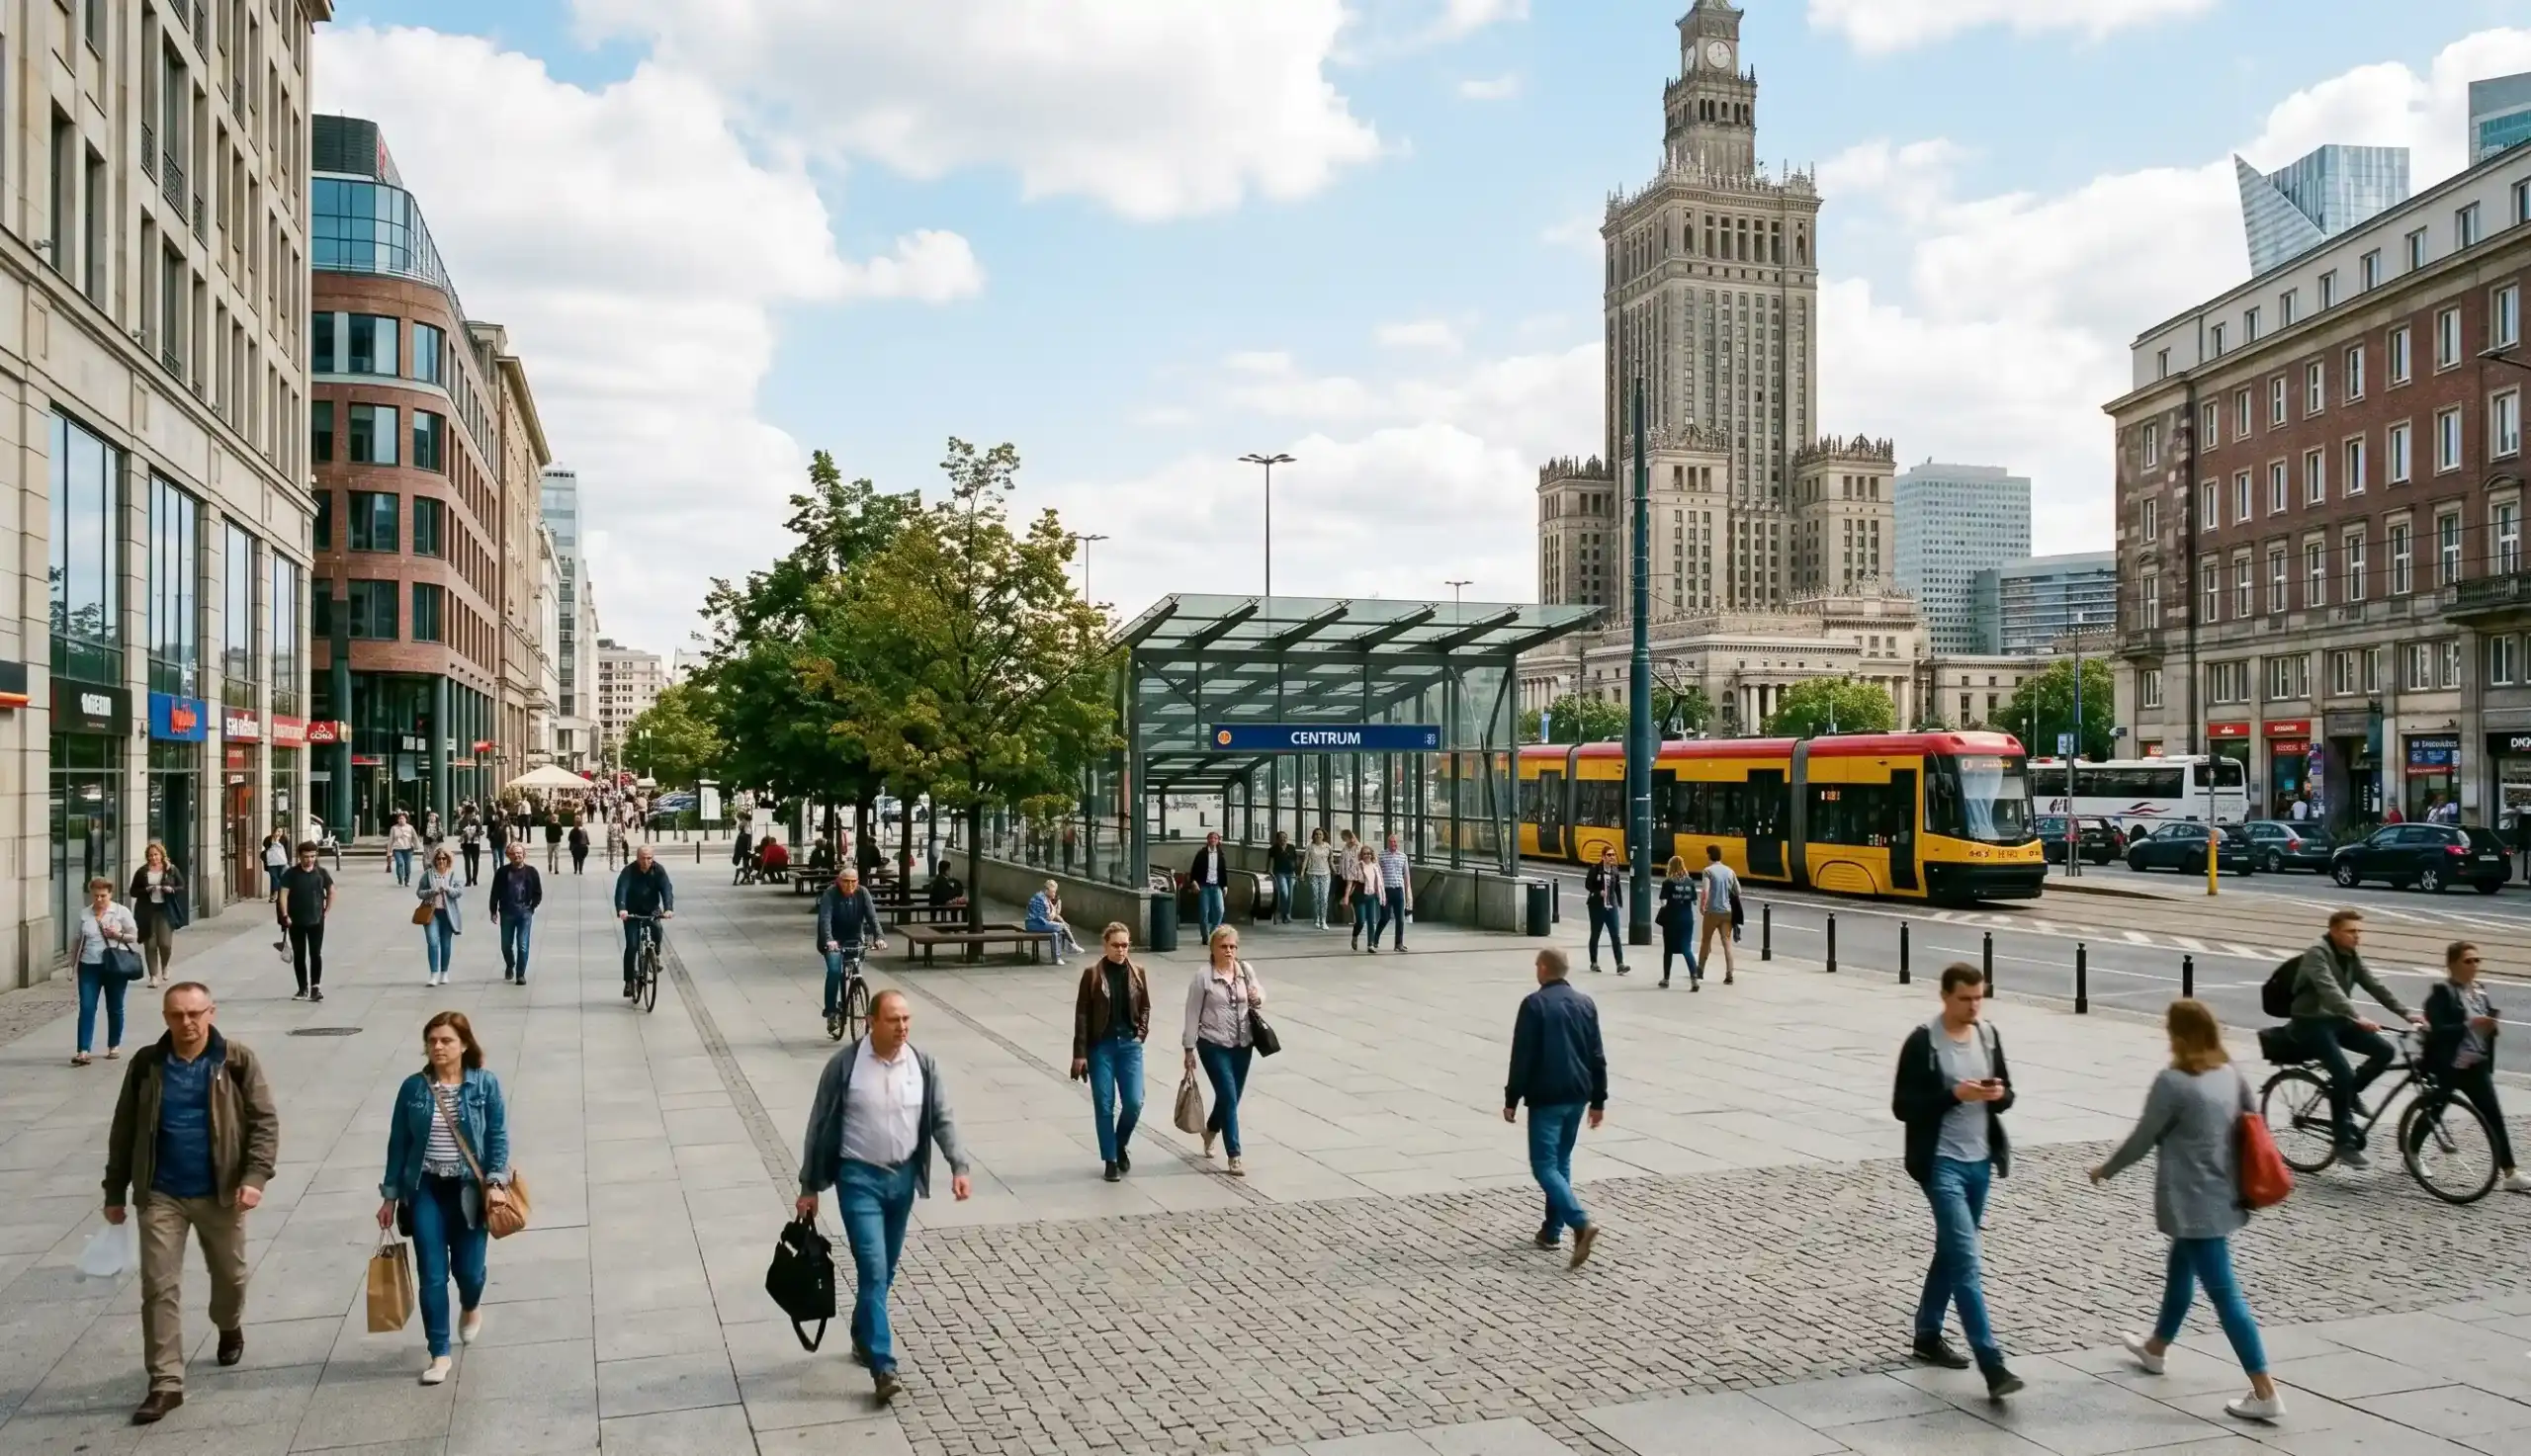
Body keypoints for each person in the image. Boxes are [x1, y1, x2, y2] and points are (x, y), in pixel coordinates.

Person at [2089, 999, 2284, 1423]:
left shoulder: (2173, 1081)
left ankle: (2264, 1389)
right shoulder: (2230, 1074)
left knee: (2226, 1295)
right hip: (2225, 1193)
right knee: (2180, 1265)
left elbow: (2144, 1137)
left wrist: (2107, 1169)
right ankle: (2156, 1348)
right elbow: (2252, 1123)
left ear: (2177, 1036)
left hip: (2194, 1203)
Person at [103, 982, 278, 1424]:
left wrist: (254, 1177)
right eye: (178, 1015)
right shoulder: (148, 1064)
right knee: (159, 1287)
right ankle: (165, 1383)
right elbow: (124, 1128)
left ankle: (228, 1323)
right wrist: (114, 1191)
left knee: (232, 1275)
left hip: (222, 1191)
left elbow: (264, 1122)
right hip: (162, 1193)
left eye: (195, 1014)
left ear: (211, 1013)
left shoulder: (235, 1060)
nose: (187, 1023)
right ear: (165, 1017)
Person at [794, 988, 972, 1405]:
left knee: (886, 1270)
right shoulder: (845, 1067)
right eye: (894, 1020)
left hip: (902, 1181)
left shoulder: (922, 1064)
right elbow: (818, 1125)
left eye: (907, 1019)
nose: (902, 1027)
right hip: (858, 1180)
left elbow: (941, 1118)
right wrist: (809, 1186)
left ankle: (861, 1332)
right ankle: (883, 1366)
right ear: (870, 1022)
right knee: (873, 1270)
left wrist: (959, 1166)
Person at [1891, 963, 2023, 1400]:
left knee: (1951, 1249)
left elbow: (2008, 1095)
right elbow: (1903, 1107)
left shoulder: (1988, 1036)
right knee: (1966, 1258)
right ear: (1945, 996)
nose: (1974, 1006)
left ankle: (1927, 1334)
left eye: (1979, 998)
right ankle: (1993, 1364)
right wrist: (1954, 1095)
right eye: (1966, 998)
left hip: (1980, 1162)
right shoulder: (1924, 1042)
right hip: (1941, 1163)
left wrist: (1998, 1095)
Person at [377, 1012, 513, 1385]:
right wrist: (389, 1197)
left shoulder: (485, 1085)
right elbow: (398, 1144)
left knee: (469, 1271)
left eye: (446, 1040)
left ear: (464, 1044)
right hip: (425, 1191)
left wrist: (498, 1181)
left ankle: (470, 1305)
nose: (438, 1046)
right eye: (432, 1040)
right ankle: (438, 1352)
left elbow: (498, 1137)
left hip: (470, 1190)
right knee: (432, 1275)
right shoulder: (413, 1088)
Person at [2289, 908, 2422, 1166]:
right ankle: (2343, 1143)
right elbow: (2329, 990)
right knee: (2342, 1074)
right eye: (2351, 931)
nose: (2357, 936)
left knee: (2384, 1051)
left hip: (2337, 1019)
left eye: (2360, 931)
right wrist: (2357, 1016)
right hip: (2311, 1022)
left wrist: (2406, 1014)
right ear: (2334, 931)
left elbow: (2374, 985)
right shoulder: (2318, 952)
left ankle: (2348, 1095)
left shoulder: (2350, 955)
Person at [1504, 946, 1608, 1267]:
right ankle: (1552, 1230)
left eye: (1537, 965)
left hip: (1547, 1094)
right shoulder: (1585, 1003)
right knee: (1561, 1162)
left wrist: (1512, 1098)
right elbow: (1597, 1054)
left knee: (1544, 1165)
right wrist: (1599, 1099)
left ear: (1545, 969)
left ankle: (1579, 1222)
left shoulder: (1534, 1005)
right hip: (1577, 1093)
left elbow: (1522, 1055)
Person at [2423, 941, 2531, 1194]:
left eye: (2477, 960)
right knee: (2434, 1112)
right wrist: (2471, 1025)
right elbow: (2439, 1031)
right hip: (2450, 1066)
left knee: (2493, 1115)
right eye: (2468, 961)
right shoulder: (2442, 993)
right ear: (2452, 965)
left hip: (2476, 1065)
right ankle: (2412, 1153)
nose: (2474, 966)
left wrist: (2490, 1028)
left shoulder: (2479, 990)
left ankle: (2510, 1172)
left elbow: (2484, 1023)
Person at [1182, 925, 1265, 1175]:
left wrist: (1257, 996)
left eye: (1232, 946)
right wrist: (1188, 1048)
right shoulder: (1203, 976)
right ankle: (1234, 1155)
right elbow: (1192, 1012)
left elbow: (1260, 991)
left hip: (1243, 1043)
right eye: (1223, 946)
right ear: (1213, 949)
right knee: (1228, 1095)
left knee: (1231, 1098)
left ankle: (1211, 1130)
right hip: (1212, 1044)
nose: (1229, 951)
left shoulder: (1244, 970)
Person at [1071, 922, 1150, 1181]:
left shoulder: (1138, 972)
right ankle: (1111, 1160)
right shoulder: (1092, 974)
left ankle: (1120, 1142)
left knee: (1134, 1102)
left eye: (1125, 945)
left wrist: (1141, 1034)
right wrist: (1080, 1054)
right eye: (1115, 945)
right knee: (1104, 1104)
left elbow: (1145, 1006)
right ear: (1105, 945)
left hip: (1129, 1045)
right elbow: (1082, 1014)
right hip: (1101, 1047)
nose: (1121, 950)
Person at [72, 877, 140, 1067]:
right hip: (88, 965)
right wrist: (72, 965)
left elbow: (134, 936)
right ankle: (83, 1050)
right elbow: (77, 941)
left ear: (110, 894)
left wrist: (117, 935)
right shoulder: (84, 914)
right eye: (95, 896)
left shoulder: (120, 912)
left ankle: (114, 1045)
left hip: (115, 966)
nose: (99, 899)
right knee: (87, 1007)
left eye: (103, 895)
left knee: (115, 1006)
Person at [817, 867, 886, 1034]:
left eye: (853, 881)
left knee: (856, 969)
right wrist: (829, 940)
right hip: (834, 939)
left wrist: (879, 937)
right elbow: (824, 919)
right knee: (834, 971)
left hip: (855, 937)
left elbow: (872, 917)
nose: (849, 885)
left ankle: (856, 987)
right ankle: (832, 1011)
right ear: (839, 881)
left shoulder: (863, 893)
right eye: (846, 881)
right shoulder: (830, 894)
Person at [614, 845, 676, 999]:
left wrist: (668, 908)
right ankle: (629, 981)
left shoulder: (658, 870)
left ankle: (655, 953)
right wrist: (622, 909)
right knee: (633, 945)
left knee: (657, 928)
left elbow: (666, 889)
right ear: (637, 857)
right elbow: (621, 889)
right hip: (631, 911)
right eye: (643, 858)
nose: (646, 861)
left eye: (649, 858)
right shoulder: (629, 871)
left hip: (651, 908)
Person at [275, 842, 334, 1002]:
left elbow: (331, 889)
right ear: (300, 856)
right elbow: (283, 894)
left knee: (316, 954)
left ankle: (316, 987)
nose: (309, 860)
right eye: (306, 856)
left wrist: (327, 910)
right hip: (296, 921)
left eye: (313, 856)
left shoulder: (321, 873)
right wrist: (285, 914)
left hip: (316, 920)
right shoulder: (291, 874)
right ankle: (302, 988)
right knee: (300, 955)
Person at [128, 842, 186, 988]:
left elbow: (182, 886)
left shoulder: (170, 869)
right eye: (151, 855)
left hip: (165, 910)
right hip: (147, 911)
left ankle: (165, 965)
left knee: (165, 944)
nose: (153, 858)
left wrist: (171, 889)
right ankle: (153, 976)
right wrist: (146, 889)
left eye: (156, 854)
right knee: (150, 944)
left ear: (161, 855)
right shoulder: (142, 872)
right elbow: (133, 891)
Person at [487, 841, 544, 985]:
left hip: (524, 912)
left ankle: (520, 974)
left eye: (519, 853)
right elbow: (495, 892)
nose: (517, 856)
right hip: (507, 912)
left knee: (522, 944)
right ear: (509, 856)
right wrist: (493, 910)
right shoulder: (502, 872)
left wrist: (532, 906)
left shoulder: (531, 872)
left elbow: (538, 892)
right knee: (506, 944)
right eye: (513, 853)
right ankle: (510, 964)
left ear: (524, 855)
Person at [416, 847, 467, 987]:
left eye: (444, 858)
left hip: (448, 913)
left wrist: (448, 889)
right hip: (431, 912)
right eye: (438, 859)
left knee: (445, 944)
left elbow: (459, 891)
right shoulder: (428, 874)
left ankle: (444, 972)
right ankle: (433, 974)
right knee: (433, 942)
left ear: (448, 860)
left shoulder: (452, 874)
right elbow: (419, 892)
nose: (441, 861)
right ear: (434, 860)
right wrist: (432, 891)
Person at [1696, 845, 1739, 985]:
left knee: (1706, 941)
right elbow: (1738, 890)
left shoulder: (1708, 871)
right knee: (1726, 942)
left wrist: (1703, 906)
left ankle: (1700, 970)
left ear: (1709, 855)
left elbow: (1705, 891)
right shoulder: (1730, 871)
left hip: (1712, 911)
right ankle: (1729, 974)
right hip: (1727, 912)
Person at [1584, 844, 1627, 976]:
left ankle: (1620, 964)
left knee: (1615, 935)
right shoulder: (1595, 869)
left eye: (1613, 855)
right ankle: (1594, 962)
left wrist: (1619, 901)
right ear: (1603, 857)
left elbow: (1617, 887)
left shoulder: (1615, 870)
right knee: (1595, 934)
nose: (1611, 857)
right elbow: (1588, 885)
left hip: (1611, 906)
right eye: (1609, 855)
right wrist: (1598, 893)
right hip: (1597, 906)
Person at [1657, 855, 1699, 989]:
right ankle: (1694, 978)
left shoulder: (1668, 882)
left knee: (1668, 949)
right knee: (1687, 948)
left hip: (1671, 919)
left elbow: (1664, 902)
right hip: (1687, 918)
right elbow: (1694, 900)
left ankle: (1666, 978)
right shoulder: (1689, 882)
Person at [1376, 832, 1413, 952]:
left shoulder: (1403, 857)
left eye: (1395, 842)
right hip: (1386, 890)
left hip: (1399, 889)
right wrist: (1379, 890)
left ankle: (1399, 943)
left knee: (1400, 919)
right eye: (1391, 842)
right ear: (1388, 843)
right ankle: (1375, 939)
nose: (1393, 844)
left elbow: (1406, 875)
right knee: (1385, 918)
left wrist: (1408, 892)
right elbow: (1378, 874)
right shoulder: (1381, 856)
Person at [1189, 831, 1229, 940]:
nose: (1213, 840)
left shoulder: (1221, 854)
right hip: (1204, 886)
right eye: (1211, 838)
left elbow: (1223, 871)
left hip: (1216, 886)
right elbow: (1194, 870)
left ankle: (1213, 932)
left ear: (1218, 841)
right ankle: (1205, 936)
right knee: (1204, 912)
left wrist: (1225, 886)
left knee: (1220, 910)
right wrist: (1194, 882)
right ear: (1207, 840)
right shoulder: (1201, 854)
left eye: (1215, 838)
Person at [1026, 881, 1079, 960]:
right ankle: (1071, 946)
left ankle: (1062, 953)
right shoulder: (1043, 900)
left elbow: (1052, 916)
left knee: (1058, 929)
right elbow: (1049, 918)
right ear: (1047, 890)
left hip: (1033, 923)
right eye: (1053, 892)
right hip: (1036, 924)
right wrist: (1054, 909)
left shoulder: (1040, 896)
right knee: (1061, 927)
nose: (1054, 894)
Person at [1349, 844, 1382, 953]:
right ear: (1361, 855)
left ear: (1372, 854)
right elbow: (1351, 880)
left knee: (1372, 921)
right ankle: (1355, 935)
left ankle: (1370, 944)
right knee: (1361, 921)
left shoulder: (1375, 866)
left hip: (1371, 896)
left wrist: (1381, 894)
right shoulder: (1358, 866)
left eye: (1369, 853)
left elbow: (1380, 881)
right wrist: (1346, 896)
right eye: (1364, 853)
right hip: (1360, 896)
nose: (1367, 855)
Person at [1304, 827, 1334, 930]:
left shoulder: (1327, 847)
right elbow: (1306, 860)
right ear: (1313, 836)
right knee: (1316, 898)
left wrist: (1335, 870)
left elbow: (1331, 860)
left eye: (1320, 834)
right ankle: (1316, 918)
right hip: (1313, 873)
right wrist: (1302, 873)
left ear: (1323, 836)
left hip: (1325, 874)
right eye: (1316, 834)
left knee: (1324, 898)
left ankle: (1323, 920)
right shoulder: (1310, 847)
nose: (1318, 836)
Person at [1268, 830, 1299, 926]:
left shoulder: (1291, 848)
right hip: (1280, 873)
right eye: (1281, 837)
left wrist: (1297, 874)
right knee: (1284, 893)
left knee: (1290, 895)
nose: (1283, 839)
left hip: (1291, 873)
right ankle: (1283, 913)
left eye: (1285, 837)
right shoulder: (1273, 849)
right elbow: (1270, 861)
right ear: (1277, 839)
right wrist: (1269, 871)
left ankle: (1287, 914)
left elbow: (1295, 861)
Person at [387, 812, 419, 886]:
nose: (401, 820)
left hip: (408, 849)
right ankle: (400, 878)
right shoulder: (394, 828)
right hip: (397, 849)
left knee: (408, 865)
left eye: (403, 818)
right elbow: (390, 840)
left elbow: (415, 837)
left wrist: (416, 845)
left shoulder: (410, 827)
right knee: (400, 863)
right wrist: (389, 851)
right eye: (399, 818)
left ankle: (407, 880)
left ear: (406, 819)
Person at [260, 828, 290, 898]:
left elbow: (287, 850)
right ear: (273, 832)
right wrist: (274, 841)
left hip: (282, 862)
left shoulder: (284, 839)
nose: (280, 833)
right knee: (274, 878)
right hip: (272, 862)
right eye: (278, 831)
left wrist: (288, 860)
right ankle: (275, 893)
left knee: (281, 878)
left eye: (281, 831)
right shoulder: (268, 839)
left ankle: (279, 894)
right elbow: (266, 846)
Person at [459, 813, 484, 885]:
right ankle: (468, 880)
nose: (471, 817)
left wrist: (477, 833)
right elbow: (458, 831)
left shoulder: (477, 822)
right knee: (467, 863)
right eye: (469, 815)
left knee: (475, 862)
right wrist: (463, 832)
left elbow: (480, 831)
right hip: (466, 845)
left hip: (475, 844)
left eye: (473, 815)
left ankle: (475, 878)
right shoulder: (462, 822)